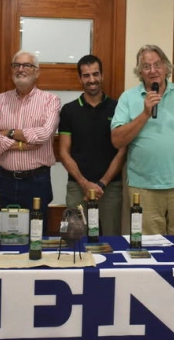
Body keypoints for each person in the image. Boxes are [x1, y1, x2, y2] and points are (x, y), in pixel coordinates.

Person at [111, 44, 174, 235]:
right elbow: (117, 140)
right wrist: (145, 114)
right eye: (146, 66)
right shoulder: (128, 98)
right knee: (149, 248)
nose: (153, 70)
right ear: (140, 71)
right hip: (143, 190)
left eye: (157, 65)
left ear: (166, 67)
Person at [0, 51, 60, 234]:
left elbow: (44, 134)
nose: (20, 69)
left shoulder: (50, 101)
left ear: (37, 72)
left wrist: (8, 132)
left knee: (36, 236)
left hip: (37, 181)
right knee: (1, 234)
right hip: (3, 179)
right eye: (16, 65)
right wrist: (23, 145)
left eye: (27, 65)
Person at [59, 55, 126, 235]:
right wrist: (84, 183)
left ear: (102, 75)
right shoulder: (69, 110)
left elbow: (123, 151)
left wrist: (102, 184)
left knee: (112, 239)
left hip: (111, 188)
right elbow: (63, 152)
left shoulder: (118, 108)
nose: (92, 80)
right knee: (73, 237)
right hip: (77, 187)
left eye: (95, 74)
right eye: (86, 75)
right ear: (80, 78)